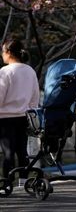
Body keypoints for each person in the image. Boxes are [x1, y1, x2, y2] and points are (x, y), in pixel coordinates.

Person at [0, 38, 40, 184]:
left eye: (2, 51)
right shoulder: (30, 71)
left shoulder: (4, 72)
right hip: (24, 117)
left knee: (8, 153)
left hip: (5, 118)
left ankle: (7, 183)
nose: (2, 54)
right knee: (22, 151)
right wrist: (30, 111)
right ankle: (23, 182)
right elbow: (35, 96)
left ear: (9, 53)